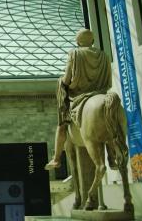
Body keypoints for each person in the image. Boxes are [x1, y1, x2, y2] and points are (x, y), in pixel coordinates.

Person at [45, 28, 112, 170]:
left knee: (62, 125)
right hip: (102, 93)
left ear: (77, 42)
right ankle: (112, 156)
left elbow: (67, 78)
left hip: (79, 97)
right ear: (92, 41)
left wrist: (61, 82)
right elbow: (109, 83)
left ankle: (56, 159)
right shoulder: (104, 55)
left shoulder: (74, 53)